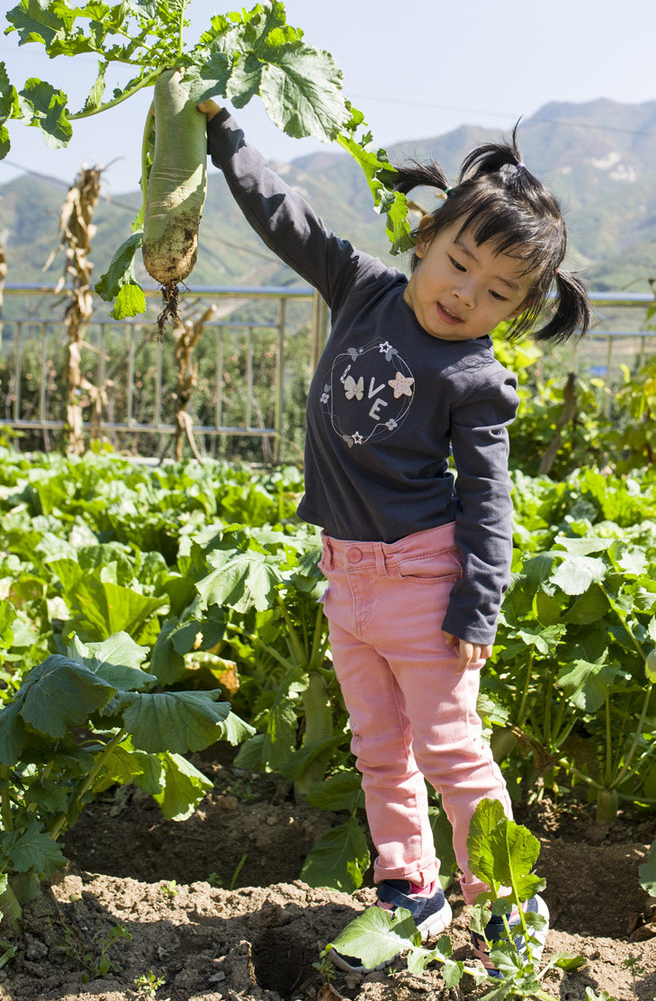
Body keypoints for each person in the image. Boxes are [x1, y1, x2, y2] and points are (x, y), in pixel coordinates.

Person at [199, 99, 591, 971]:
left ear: (519, 311)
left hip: (422, 582)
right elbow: (286, 218)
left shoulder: (475, 378)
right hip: (348, 579)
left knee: (450, 749)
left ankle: (507, 910)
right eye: (459, 264)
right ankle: (410, 891)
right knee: (378, 745)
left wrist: (478, 606)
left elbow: (491, 502)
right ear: (425, 237)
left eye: (498, 293)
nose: (466, 295)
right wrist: (226, 138)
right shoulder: (363, 287)